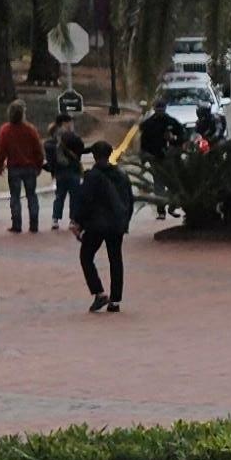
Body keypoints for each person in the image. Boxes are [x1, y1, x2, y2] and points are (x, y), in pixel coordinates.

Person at [70, 140, 133, 314]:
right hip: (116, 224)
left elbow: (85, 201)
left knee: (86, 256)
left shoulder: (92, 176)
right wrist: (125, 221)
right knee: (116, 259)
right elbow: (129, 199)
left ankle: (98, 292)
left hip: (96, 225)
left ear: (95, 156)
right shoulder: (121, 175)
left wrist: (78, 222)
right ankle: (115, 300)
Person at [0, 101, 46, 235]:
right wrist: (39, 165)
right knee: (31, 196)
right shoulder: (30, 129)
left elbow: (0, 149)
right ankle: (34, 225)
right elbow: (38, 149)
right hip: (30, 167)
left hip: (14, 167)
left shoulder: (5, 130)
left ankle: (17, 224)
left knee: (15, 197)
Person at [45, 107, 85, 227]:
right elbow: (80, 148)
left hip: (59, 171)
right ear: (64, 123)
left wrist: (52, 170)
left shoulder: (52, 138)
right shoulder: (71, 136)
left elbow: (50, 155)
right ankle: (73, 220)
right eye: (69, 122)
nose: (71, 124)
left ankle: (55, 219)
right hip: (72, 169)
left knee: (59, 196)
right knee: (74, 196)